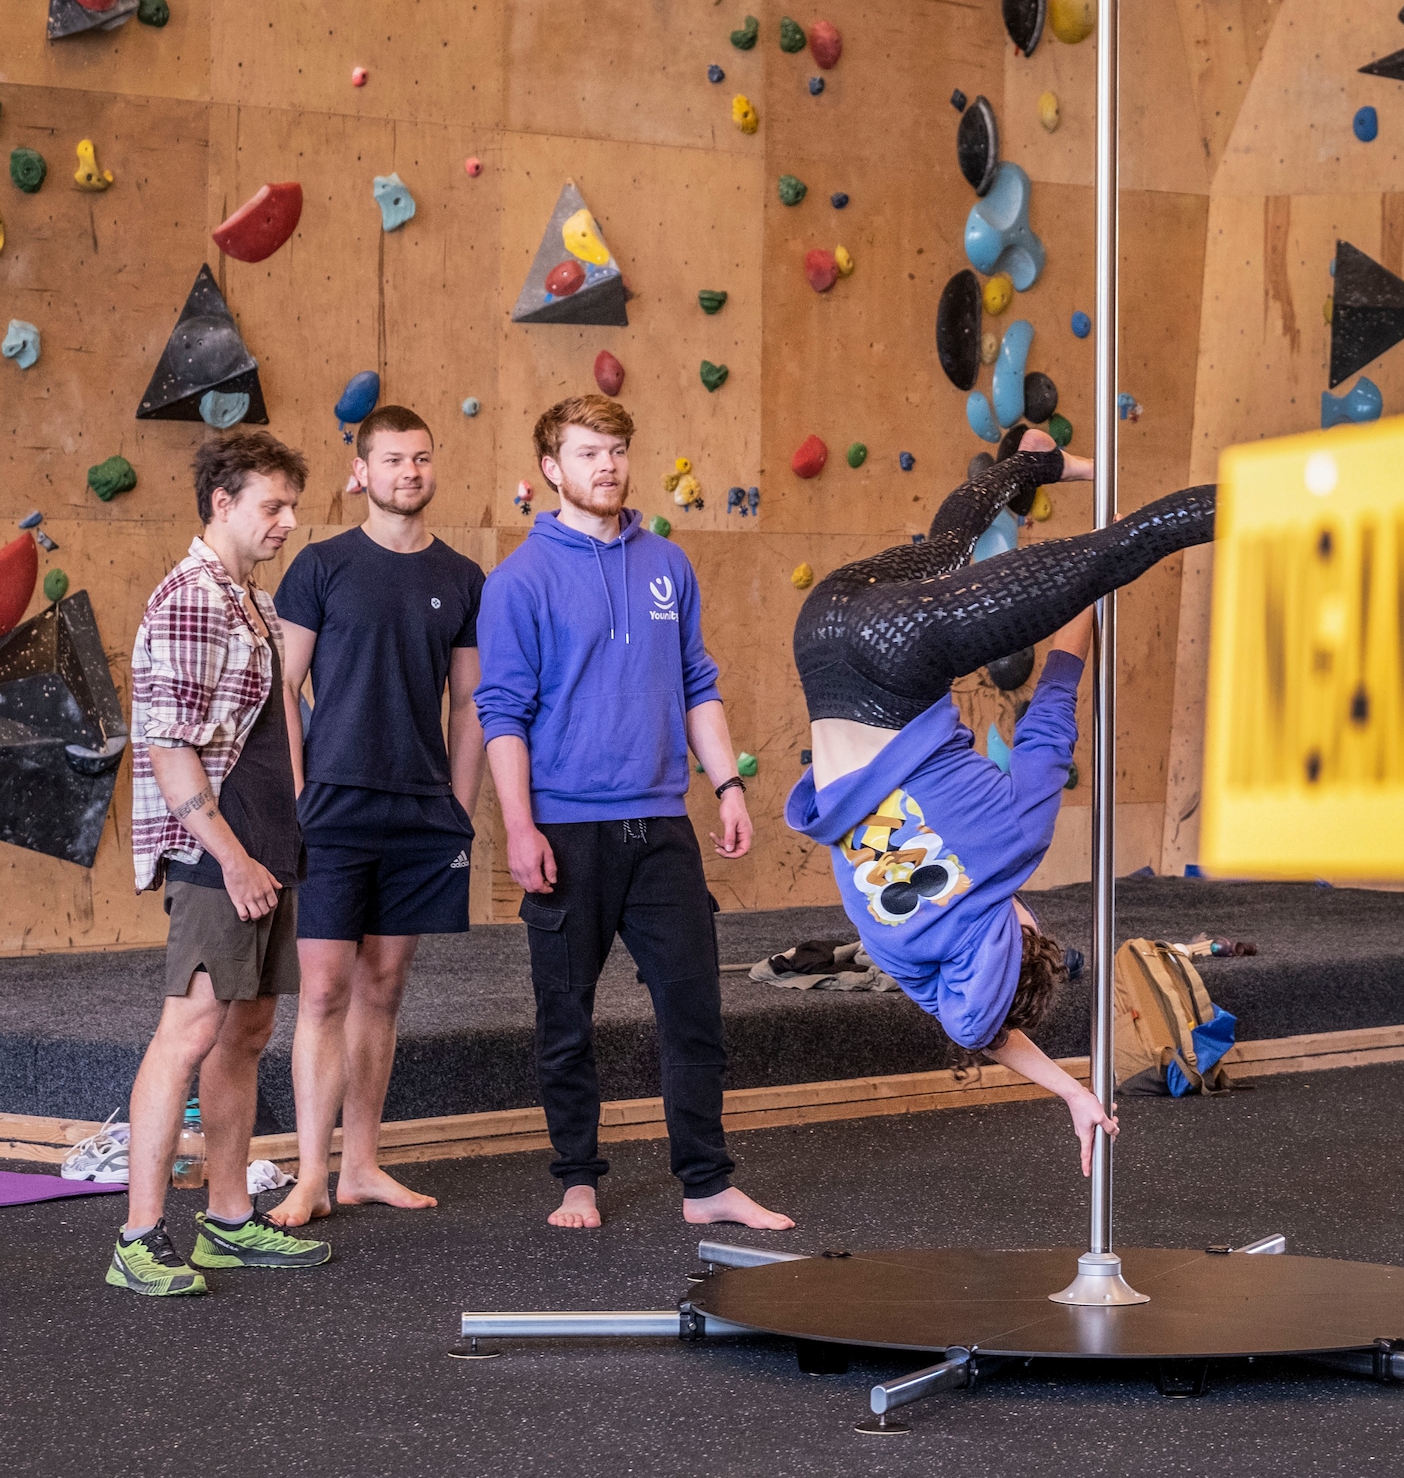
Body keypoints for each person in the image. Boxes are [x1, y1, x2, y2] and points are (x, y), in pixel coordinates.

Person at [783, 428, 1216, 1172]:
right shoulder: (903, 949)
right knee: (951, 544)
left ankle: (1296, 502)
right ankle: (1043, 457)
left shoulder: (1018, 844)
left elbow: (1055, 690)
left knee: (1128, 544)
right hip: (821, 633)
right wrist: (1072, 1092)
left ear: (1016, 934)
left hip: (898, 651)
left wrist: (1089, 583)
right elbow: (976, 1027)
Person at [475, 393, 791, 1232]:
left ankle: (707, 1183)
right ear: (552, 467)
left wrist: (726, 784)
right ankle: (577, 1178)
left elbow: (697, 683)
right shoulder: (518, 581)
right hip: (565, 829)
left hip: (661, 825)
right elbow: (500, 711)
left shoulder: (668, 566)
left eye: (615, 448)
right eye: (586, 452)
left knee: (694, 1009)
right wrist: (517, 824)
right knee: (564, 1019)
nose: (605, 464)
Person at [110, 431, 332, 1297]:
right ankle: (137, 1236)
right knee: (189, 1031)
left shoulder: (248, 597)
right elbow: (168, 750)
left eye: (290, 505)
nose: (287, 521)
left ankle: (228, 1219)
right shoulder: (192, 598)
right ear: (222, 503)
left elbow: (273, 726)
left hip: (271, 845)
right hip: (221, 854)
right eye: (271, 505)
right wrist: (233, 857)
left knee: (244, 1034)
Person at [265, 406, 485, 1228]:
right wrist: (295, 797)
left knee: (385, 988)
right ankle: (309, 1173)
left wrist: (460, 809)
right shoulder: (320, 567)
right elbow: (285, 688)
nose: (410, 472)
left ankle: (361, 1165)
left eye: (421, 458)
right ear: (362, 470)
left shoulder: (463, 578)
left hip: (421, 815)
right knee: (321, 990)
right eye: (393, 459)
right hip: (330, 809)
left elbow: (469, 703)